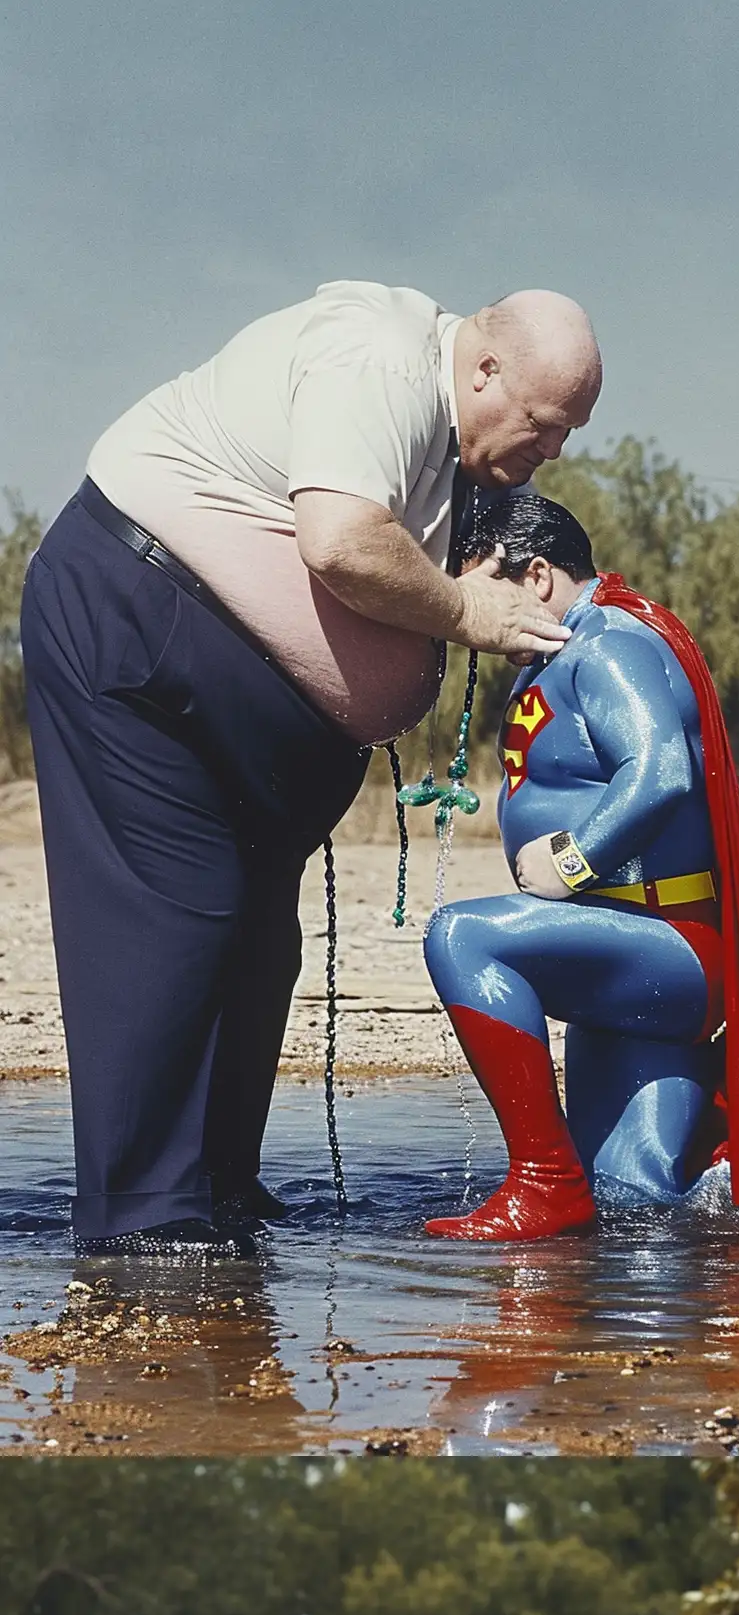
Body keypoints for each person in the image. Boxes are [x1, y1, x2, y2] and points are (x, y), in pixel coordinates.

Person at [20, 285, 601, 1253]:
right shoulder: (376, 356)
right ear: (485, 370)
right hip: (135, 625)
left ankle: (217, 1190)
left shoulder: (453, 443)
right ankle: (144, 1227)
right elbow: (339, 542)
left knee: (253, 943)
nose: (554, 452)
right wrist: (467, 618)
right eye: (546, 427)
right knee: (174, 918)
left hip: (206, 680)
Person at [421, 489, 739, 1238]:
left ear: (535, 577)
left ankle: (539, 1184)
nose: (469, 614)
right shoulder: (565, 646)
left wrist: (570, 861)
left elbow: (661, 769)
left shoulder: (604, 641)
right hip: (621, 950)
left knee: (462, 937)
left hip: (664, 945)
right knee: (635, 1202)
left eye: (479, 589)